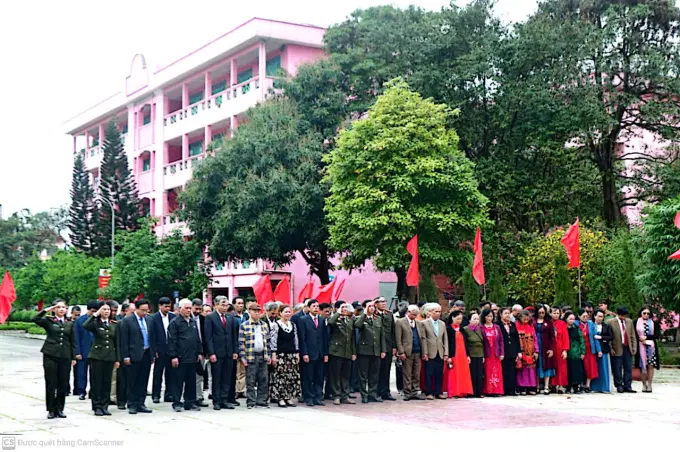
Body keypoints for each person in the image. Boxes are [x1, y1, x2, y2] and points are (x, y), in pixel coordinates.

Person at [33, 300, 76, 419]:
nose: (61, 309)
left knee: (63, 383)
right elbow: (35, 319)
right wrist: (47, 309)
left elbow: (72, 341)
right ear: (54, 309)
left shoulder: (69, 323)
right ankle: (51, 409)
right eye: (58, 307)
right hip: (50, 355)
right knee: (51, 383)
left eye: (63, 307)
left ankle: (60, 408)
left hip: (65, 356)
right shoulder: (49, 321)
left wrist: (73, 357)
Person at [119, 299, 156, 414]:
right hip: (133, 354)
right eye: (143, 310)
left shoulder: (149, 319)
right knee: (132, 381)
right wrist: (125, 356)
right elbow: (124, 340)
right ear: (136, 309)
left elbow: (152, 337)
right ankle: (132, 404)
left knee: (143, 380)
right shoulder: (128, 321)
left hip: (146, 353)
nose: (145, 312)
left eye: (147, 310)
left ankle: (141, 403)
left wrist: (153, 354)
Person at [83, 301, 118, 416]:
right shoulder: (95, 323)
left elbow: (117, 342)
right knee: (97, 382)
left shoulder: (114, 324)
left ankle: (104, 405)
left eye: (108, 309)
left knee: (106, 382)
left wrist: (117, 359)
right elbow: (85, 325)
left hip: (109, 356)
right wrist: (95, 315)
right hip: (97, 356)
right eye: (104, 309)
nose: (107, 311)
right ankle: (97, 406)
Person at [167, 299, 203, 412]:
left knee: (191, 381)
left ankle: (190, 402)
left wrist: (199, 352)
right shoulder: (175, 322)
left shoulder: (192, 321)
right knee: (178, 382)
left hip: (192, 357)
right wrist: (173, 356)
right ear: (179, 309)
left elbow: (197, 338)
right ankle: (177, 402)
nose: (188, 310)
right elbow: (171, 340)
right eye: (186, 308)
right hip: (180, 357)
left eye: (189, 308)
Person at [204, 295, 239, 410]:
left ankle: (225, 399)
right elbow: (208, 337)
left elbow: (234, 336)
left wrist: (235, 351)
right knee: (217, 378)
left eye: (226, 305)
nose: (225, 307)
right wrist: (211, 353)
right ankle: (217, 401)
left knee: (227, 378)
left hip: (229, 352)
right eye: (222, 305)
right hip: (217, 353)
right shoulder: (210, 317)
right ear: (216, 305)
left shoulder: (230, 318)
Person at [239, 302, 272, 409]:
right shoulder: (244, 325)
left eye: (258, 311)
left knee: (263, 379)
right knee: (250, 380)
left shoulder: (264, 325)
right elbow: (241, 343)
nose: (257, 313)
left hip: (263, 354)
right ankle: (251, 401)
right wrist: (243, 357)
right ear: (249, 312)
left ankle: (262, 401)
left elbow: (268, 341)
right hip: (250, 356)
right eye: (254, 311)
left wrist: (269, 355)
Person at [298, 300, 329, 406]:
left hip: (320, 353)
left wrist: (325, 353)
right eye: (313, 306)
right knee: (308, 376)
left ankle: (318, 397)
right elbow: (302, 338)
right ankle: (308, 397)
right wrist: (304, 353)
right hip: (309, 353)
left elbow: (325, 338)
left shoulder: (321, 320)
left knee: (319, 376)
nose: (316, 308)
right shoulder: (303, 320)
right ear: (309, 308)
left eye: (317, 306)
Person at [270, 305, 302, 407]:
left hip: (291, 354)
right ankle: (280, 398)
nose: (288, 314)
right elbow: (273, 340)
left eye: (289, 312)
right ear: (280, 313)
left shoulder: (293, 325)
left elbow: (295, 339)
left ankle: (288, 397)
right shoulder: (276, 325)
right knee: (281, 376)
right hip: (281, 354)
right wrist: (273, 354)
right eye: (285, 312)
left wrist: (297, 353)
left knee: (291, 377)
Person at [355, 300, 386, 403]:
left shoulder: (378, 319)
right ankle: (364, 395)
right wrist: (364, 314)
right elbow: (357, 325)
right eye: (369, 306)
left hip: (376, 351)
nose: (372, 308)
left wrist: (383, 350)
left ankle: (372, 394)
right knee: (363, 375)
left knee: (374, 375)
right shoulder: (361, 318)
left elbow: (382, 336)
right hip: (364, 351)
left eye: (373, 306)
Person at [327, 302, 356, 405]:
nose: (344, 309)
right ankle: (336, 395)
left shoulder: (349, 320)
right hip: (336, 351)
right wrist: (338, 313)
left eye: (345, 307)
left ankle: (345, 395)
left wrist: (354, 352)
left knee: (346, 375)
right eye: (342, 307)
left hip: (347, 351)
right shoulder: (335, 319)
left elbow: (352, 338)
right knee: (335, 375)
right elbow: (330, 322)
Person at [395, 305, 425, 401]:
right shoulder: (400, 322)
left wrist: (424, 352)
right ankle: (407, 392)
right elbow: (398, 339)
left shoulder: (419, 323)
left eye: (416, 315)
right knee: (407, 373)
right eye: (413, 314)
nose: (414, 316)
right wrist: (401, 352)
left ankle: (415, 391)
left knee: (416, 373)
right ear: (408, 312)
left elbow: (422, 338)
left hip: (418, 351)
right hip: (407, 352)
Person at [606, 306, 638, 393]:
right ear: (618, 314)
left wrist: (634, 347)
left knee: (628, 367)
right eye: (622, 315)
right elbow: (609, 336)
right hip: (616, 347)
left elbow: (633, 335)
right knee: (617, 367)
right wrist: (610, 348)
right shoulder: (610, 322)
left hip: (627, 347)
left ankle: (628, 385)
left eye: (625, 316)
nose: (623, 317)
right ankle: (619, 384)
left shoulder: (629, 322)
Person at [150, 297, 175, 404]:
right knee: (158, 373)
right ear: (160, 306)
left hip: (170, 349)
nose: (167, 309)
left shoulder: (173, 317)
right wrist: (154, 350)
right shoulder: (153, 318)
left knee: (171, 373)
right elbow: (151, 335)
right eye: (165, 306)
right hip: (159, 349)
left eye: (169, 306)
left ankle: (169, 394)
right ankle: (156, 394)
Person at [421, 303, 448, 400]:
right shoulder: (424, 323)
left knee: (439, 373)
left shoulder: (442, 323)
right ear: (430, 312)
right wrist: (425, 352)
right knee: (429, 373)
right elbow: (423, 339)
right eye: (436, 311)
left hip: (440, 351)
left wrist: (446, 353)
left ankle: (438, 392)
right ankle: (429, 392)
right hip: (429, 351)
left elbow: (445, 339)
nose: (438, 313)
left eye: (439, 311)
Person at [445, 311, 473, 398]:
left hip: (463, 354)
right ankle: (454, 391)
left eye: (461, 319)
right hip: (454, 354)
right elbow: (447, 343)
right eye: (457, 319)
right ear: (452, 317)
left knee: (463, 373)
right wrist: (449, 356)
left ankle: (463, 391)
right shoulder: (448, 329)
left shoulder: (462, 329)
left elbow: (466, 343)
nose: (459, 321)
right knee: (454, 373)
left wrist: (467, 355)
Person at [74, 301, 98, 400]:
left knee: (94, 373)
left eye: (95, 311)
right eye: (92, 311)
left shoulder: (98, 320)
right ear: (88, 310)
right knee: (81, 373)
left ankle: (93, 391)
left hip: (95, 351)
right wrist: (77, 352)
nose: (93, 313)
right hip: (83, 350)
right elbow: (76, 337)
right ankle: (81, 391)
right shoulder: (80, 320)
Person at [374, 297, 397, 401]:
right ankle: (376, 391)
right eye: (381, 302)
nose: (384, 303)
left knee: (386, 370)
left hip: (388, 346)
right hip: (376, 347)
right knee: (376, 371)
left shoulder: (389, 314)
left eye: (384, 301)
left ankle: (386, 392)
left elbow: (393, 331)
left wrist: (394, 346)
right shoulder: (373, 314)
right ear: (376, 304)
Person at [635, 306, 660, 393]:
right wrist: (640, 339)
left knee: (650, 366)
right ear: (641, 313)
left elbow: (657, 335)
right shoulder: (636, 322)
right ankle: (643, 385)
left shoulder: (654, 323)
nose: (646, 315)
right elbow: (633, 334)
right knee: (642, 366)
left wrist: (646, 337)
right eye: (644, 313)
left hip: (651, 347)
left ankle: (649, 385)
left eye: (648, 313)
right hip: (640, 346)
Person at [481, 308, 504, 396]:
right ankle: (488, 390)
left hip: (496, 353)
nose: (489, 318)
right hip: (487, 353)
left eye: (491, 316)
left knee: (497, 372)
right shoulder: (481, 328)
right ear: (484, 317)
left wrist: (502, 353)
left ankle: (497, 390)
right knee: (488, 372)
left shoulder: (497, 327)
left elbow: (501, 341)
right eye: (487, 316)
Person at [515, 310, 538, 395]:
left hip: (530, 351)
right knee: (522, 370)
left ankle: (532, 387)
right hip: (521, 351)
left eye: (527, 319)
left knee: (531, 370)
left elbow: (535, 339)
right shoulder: (516, 326)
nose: (526, 320)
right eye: (524, 319)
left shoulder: (531, 326)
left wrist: (536, 350)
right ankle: (522, 387)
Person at [190, 299, 209, 407]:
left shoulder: (203, 319)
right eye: (196, 309)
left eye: (199, 309)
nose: (197, 311)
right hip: (188, 352)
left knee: (199, 376)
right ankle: (189, 398)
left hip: (201, 352)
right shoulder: (187, 318)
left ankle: (198, 397)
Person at [534, 305, 556, 395]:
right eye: (539, 312)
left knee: (547, 365)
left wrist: (551, 349)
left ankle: (546, 386)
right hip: (535, 346)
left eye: (543, 312)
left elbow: (552, 337)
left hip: (546, 346)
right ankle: (537, 386)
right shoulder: (533, 321)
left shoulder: (549, 322)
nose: (541, 314)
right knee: (537, 365)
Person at [577, 309, 600, 392]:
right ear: (579, 316)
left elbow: (595, 337)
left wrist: (599, 350)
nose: (585, 318)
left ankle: (588, 385)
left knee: (590, 367)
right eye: (583, 316)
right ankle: (579, 384)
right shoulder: (575, 324)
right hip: (579, 348)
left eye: (587, 316)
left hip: (590, 348)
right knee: (580, 367)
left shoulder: (591, 324)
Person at [591, 309, 612, 393]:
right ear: (594, 316)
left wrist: (601, 337)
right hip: (593, 350)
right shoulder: (591, 325)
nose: (600, 318)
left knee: (604, 368)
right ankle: (594, 387)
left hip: (604, 350)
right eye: (599, 316)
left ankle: (605, 387)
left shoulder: (606, 326)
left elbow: (610, 337)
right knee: (594, 368)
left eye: (602, 317)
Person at [463, 313, 484, 398]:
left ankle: (478, 392)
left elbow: (483, 343)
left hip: (480, 354)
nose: (476, 321)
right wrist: (467, 355)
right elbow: (465, 343)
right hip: (471, 354)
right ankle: (471, 392)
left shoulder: (480, 329)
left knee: (479, 374)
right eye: (474, 319)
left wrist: (483, 355)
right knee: (472, 374)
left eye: (478, 319)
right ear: (469, 320)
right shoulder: (465, 329)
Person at [565, 312, 585, 394]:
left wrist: (582, 351)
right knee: (568, 369)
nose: (572, 321)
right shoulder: (564, 328)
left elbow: (581, 340)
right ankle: (568, 387)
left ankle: (576, 387)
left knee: (577, 370)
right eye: (570, 319)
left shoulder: (576, 328)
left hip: (576, 351)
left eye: (573, 319)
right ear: (566, 319)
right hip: (567, 351)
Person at [552, 307, 569, 394]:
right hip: (551, 348)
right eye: (554, 313)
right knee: (552, 366)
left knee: (561, 367)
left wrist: (565, 350)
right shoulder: (548, 322)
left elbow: (565, 337)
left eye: (557, 313)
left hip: (560, 348)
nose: (556, 315)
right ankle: (552, 385)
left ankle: (561, 385)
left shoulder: (562, 323)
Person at [68, 305, 81, 396]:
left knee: (77, 371)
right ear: (71, 313)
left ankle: (77, 389)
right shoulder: (67, 321)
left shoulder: (80, 322)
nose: (77, 317)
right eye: (75, 315)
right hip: (67, 348)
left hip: (75, 349)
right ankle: (66, 388)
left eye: (78, 315)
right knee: (65, 371)